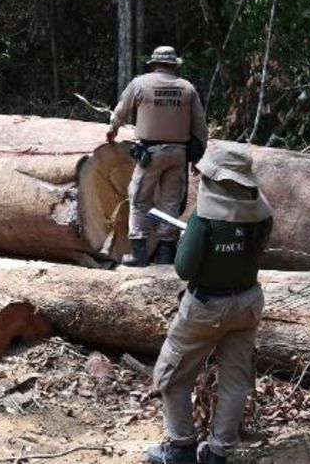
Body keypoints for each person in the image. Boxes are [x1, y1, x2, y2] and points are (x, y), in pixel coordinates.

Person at [146, 142, 273, 464]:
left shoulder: (204, 221)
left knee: (171, 374)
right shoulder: (262, 215)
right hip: (248, 303)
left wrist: (191, 239)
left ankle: (181, 448)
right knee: (235, 381)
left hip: (205, 308)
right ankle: (218, 453)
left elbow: (184, 269)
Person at [106, 46, 209, 267]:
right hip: (179, 154)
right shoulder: (187, 88)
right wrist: (197, 156)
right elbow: (201, 128)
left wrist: (113, 129)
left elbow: (121, 110)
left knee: (139, 198)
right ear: (174, 66)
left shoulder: (140, 83)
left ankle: (139, 253)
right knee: (171, 202)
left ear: (153, 64)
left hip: (150, 154)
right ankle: (165, 254)